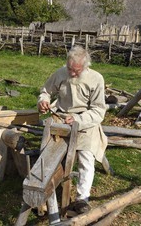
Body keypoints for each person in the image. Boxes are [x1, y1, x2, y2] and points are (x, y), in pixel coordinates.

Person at [37, 46, 107, 214]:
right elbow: (46, 91)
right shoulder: (61, 73)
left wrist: (78, 119)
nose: (72, 73)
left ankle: (82, 199)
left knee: (86, 158)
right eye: (70, 69)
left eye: (77, 71)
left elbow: (98, 111)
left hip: (85, 121)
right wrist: (43, 100)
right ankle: (44, 192)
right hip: (61, 118)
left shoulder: (96, 78)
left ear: (85, 66)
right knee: (49, 154)